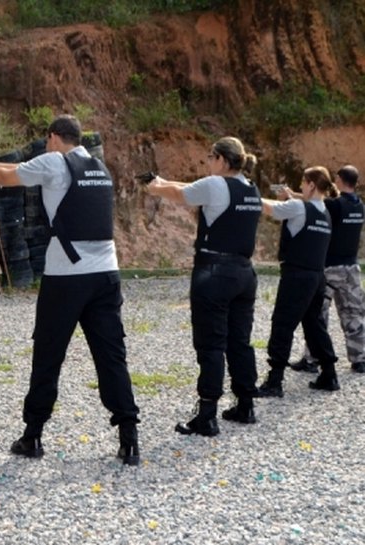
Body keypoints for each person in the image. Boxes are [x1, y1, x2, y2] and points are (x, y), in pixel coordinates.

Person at [0, 114, 141, 466]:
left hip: (66, 277)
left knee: (48, 355)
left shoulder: (53, 162)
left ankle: (33, 436)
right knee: (111, 356)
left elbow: (8, 176)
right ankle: (129, 438)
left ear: (52, 138)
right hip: (107, 274)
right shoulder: (99, 167)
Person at [145, 137, 262, 436]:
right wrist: (162, 181)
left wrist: (156, 186)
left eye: (210, 157)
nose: (208, 163)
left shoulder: (215, 185)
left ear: (222, 160)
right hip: (244, 273)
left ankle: (207, 414)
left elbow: (181, 192)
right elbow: (187, 187)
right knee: (240, 341)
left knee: (211, 345)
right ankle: (245, 404)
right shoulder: (251, 189)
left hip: (214, 271)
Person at [256, 166, 339, 397]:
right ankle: (329, 373)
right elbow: (301, 204)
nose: (300, 186)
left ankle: (275, 380)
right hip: (316, 277)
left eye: (303, 182)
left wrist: (247, 195)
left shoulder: (298, 207)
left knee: (282, 324)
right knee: (315, 324)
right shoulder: (325, 212)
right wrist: (292, 197)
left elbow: (270, 208)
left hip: (296, 275)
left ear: (311, 184)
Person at [290, 165, 365, 374]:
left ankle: (312, 358)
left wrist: (291, 196)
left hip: (330, 267)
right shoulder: (359, 206)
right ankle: (359, 359)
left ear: (340, 179)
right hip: (351, 268)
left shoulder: (335, 206)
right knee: (354, 314)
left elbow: (316, 203)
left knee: (317, 315)